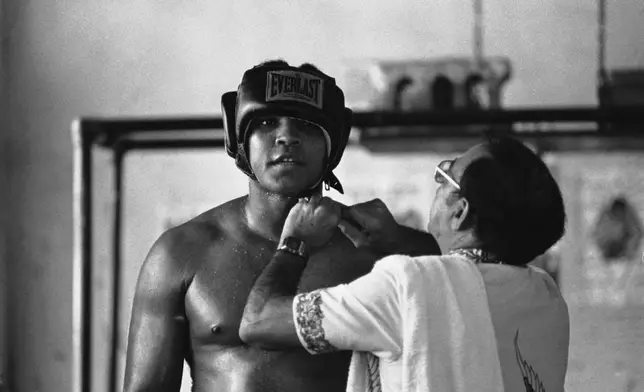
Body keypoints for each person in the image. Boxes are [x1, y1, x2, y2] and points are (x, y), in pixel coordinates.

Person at [122, 59, 440, 392]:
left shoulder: (372, 254)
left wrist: (406, 243)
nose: (287, 136)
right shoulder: (181, 252)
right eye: (268, 122)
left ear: (333, 145)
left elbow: (464, 298)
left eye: (306, 125)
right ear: (239, 137)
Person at [239, 135, 570, 392]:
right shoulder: (544, 296)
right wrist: (397, 239)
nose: (437, 183)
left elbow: (259, 322)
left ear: (460, 212)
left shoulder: (404, 290)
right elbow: (467, 278)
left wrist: (295, 241)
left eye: (445, 175)